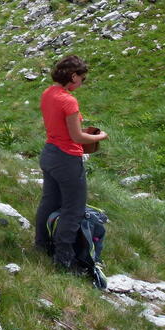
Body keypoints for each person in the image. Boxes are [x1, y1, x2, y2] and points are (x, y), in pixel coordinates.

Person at [34, 55, 108, 271]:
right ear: (73, 76)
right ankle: (63, 258)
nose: (81, 83)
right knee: (73, 209)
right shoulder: (68, 100)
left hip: (49, 152)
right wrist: (100, 137)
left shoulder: (48, 93)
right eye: (82, 79)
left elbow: (60, 126)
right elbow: (77, 138)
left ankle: (41, 245)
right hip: (67, 158)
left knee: (49, 202)